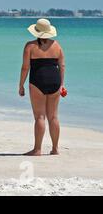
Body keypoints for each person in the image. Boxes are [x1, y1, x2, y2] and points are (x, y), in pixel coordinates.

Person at [19, 18, 65, 156]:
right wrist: (61, 84)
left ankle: (37, 149)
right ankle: (55, 149)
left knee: (40, 116)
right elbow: (62, 66)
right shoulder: (57, 46)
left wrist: (21, 85)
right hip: (55, 81)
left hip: (37, 81)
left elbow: (25, 68)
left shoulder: (30, 46)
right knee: (53, 117)